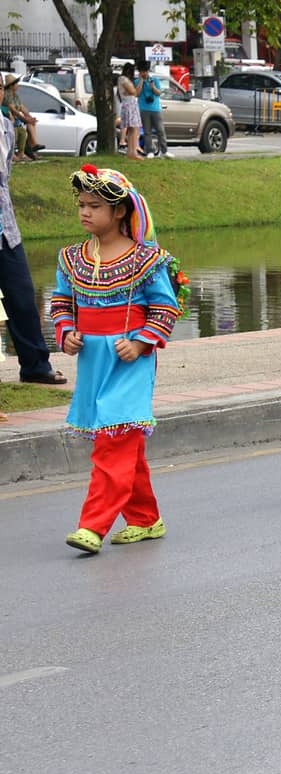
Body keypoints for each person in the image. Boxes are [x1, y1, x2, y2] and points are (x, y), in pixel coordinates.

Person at [48, 165, 180, 554]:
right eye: (82, 205)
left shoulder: (147, 259)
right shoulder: (71, 258)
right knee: (123, 439)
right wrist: (67, 333)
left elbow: (165, 309)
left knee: (115, 438)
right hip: (93, 361)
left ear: (120, 211)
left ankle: (92, 525)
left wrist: (141, 344)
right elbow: (60, 302)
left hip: (129, 362)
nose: (85, 212)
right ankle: (145, 518)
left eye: (95, 206)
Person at [0, 105, 63, 387]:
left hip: (6, 230)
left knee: (23, 296)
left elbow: (6, 175)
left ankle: (36, 365)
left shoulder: (5, 125)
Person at [134, 60, 167, 159]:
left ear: (148, 71)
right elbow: (137, 94)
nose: (143, 73)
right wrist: (141, 81)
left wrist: (152, 87)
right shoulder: (136, 81)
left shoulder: (154, 80)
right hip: (143, 108)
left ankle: (164, 150)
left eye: (145, 71)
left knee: (160, 130)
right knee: (147, 131)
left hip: (155, 109)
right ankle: (149, 151)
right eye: (141, 72)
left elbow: (158, 93)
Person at [116, 63, 143, 160]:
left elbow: (137, 93)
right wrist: (135, 87)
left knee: (134, 129)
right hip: (129, 105)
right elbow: (133, 92)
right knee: (133, 128)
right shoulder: (123, 79)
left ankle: (132, 151)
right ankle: (132, 152)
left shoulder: (126, 80)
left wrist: (141, 81)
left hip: (132, 104)